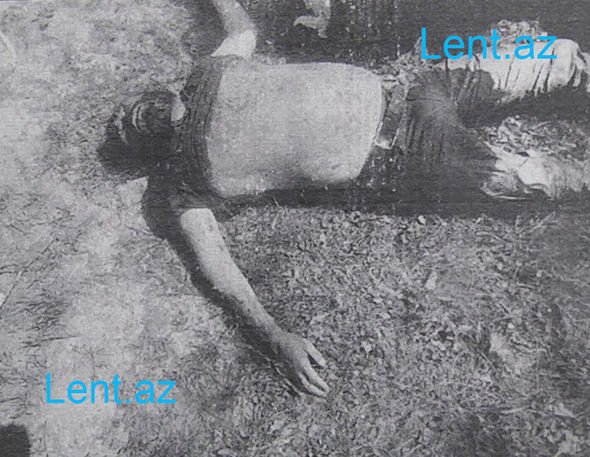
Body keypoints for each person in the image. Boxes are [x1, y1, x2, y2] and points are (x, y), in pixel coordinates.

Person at [113, 0, 590, 397]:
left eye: (129, 109)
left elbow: (241, 28)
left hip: (414, 91)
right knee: (535, 177)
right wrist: (276, 337)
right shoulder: (183, 184)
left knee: (553, 57)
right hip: (407, 154)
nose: (130, 117)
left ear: (160, 94)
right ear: (150, 152)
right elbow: (219, 270)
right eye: (129, 128)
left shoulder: (207, 73)